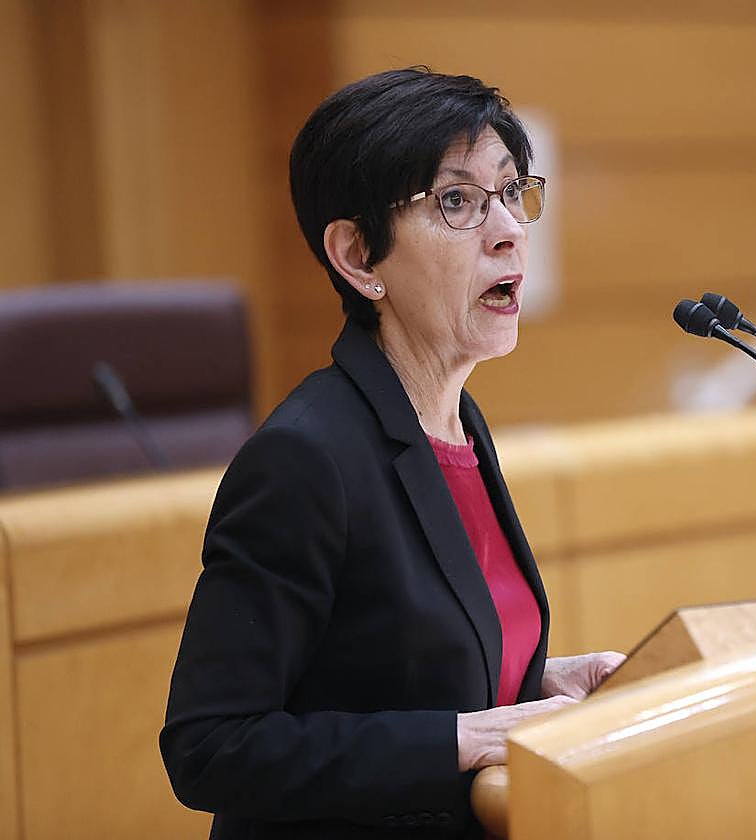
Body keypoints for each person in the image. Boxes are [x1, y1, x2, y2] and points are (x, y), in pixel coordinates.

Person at [160, 67, 624, 839]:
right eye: (457, 202)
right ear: (356, 256)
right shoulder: (305, 460)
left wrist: (537, 681)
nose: (508, 229)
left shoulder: (457, 425)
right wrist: (469, 737)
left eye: (512, 192)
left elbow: (379, 660)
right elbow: (211, 745)